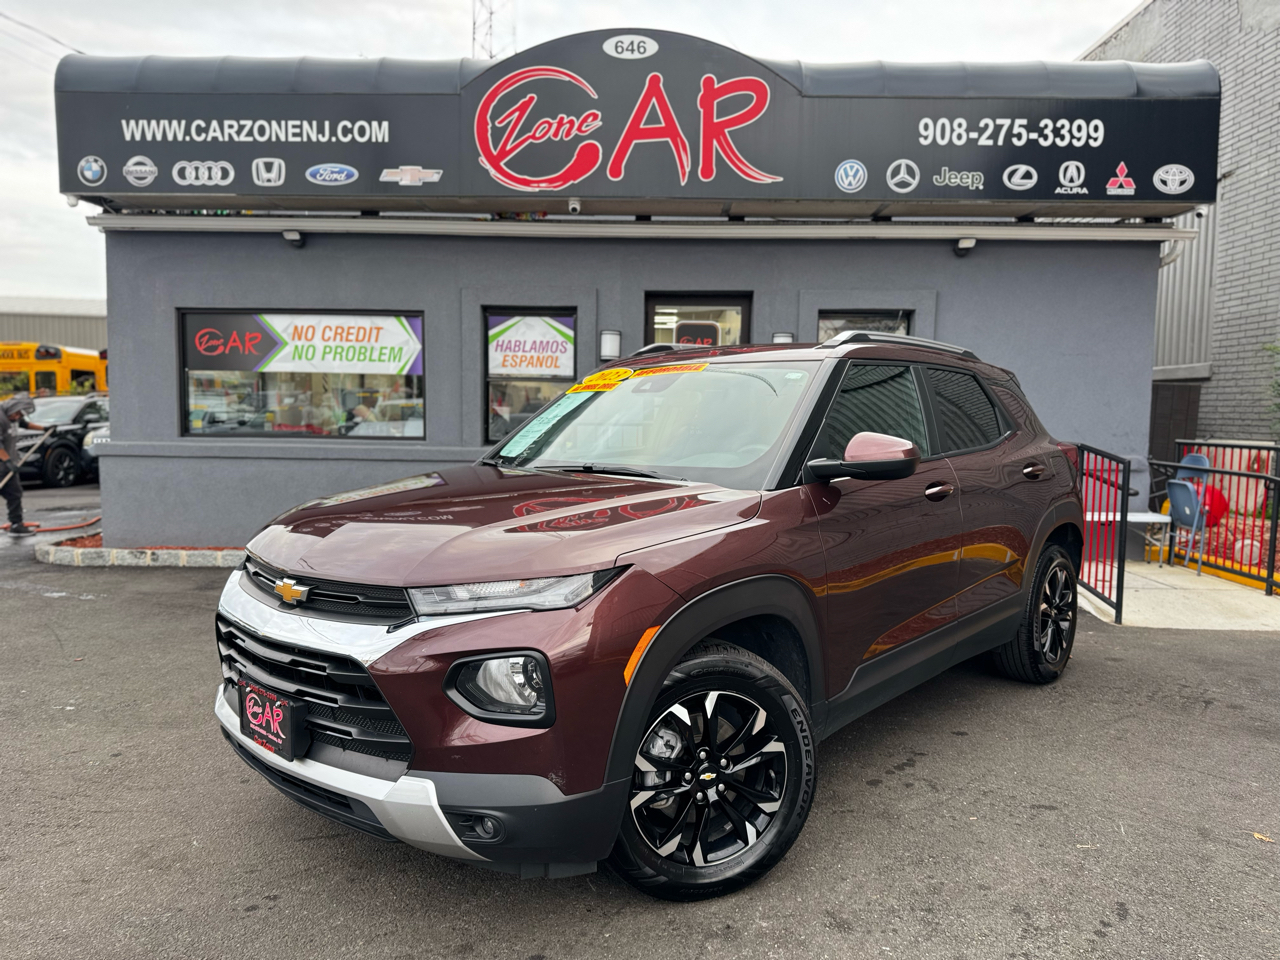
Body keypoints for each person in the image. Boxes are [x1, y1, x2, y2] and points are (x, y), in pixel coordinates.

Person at [0, 394, 36, 537]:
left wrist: (44, 429)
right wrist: (7, 461)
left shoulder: (13, 417)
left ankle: (16, 524)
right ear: (12, 408)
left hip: (7, 463)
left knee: (14, 493)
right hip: (3, 463)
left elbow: (24, 424)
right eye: (17, 413)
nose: (17, 417)